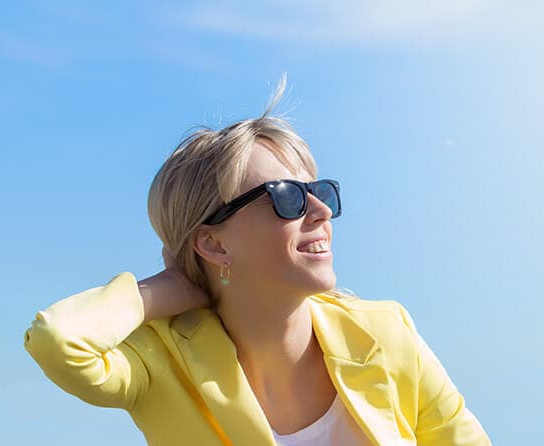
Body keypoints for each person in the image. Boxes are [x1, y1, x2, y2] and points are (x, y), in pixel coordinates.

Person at [24, 78, 492, 446]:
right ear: (213, 244)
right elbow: (58, 340)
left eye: (318, 191)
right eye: (287, 197)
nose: (321, 211)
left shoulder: (388, 334)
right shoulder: (162, 364)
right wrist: (165, 289)